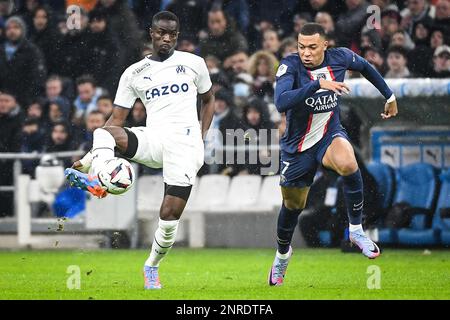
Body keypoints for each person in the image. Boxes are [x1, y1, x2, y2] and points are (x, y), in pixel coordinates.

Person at [64, 11, 215, 290]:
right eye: (161, 33)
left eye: (171, 34)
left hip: (185, 146)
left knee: (169, 217)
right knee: (103, 132)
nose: (166, 38)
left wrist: (201, 136)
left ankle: (151, 266)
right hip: (154, 139)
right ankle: (99, 177)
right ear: (151, 32)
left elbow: (208, 99)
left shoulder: (194, 63)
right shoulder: (134, 72)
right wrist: (87, 159)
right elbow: (117, 120)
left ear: (177, 36)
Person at [268, 23, 398, 286]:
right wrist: (317, 85)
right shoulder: (290, 66)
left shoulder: (340, 57)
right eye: (301, 46)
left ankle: (356, 230)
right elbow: (281, 102)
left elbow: (365, 67)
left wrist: (389, 95)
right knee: (293, 206)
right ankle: (282, 253)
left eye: (312, 47)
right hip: (298, 146)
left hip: (329, 134)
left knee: (349, 163)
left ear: (324, 45)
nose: (306, 52)